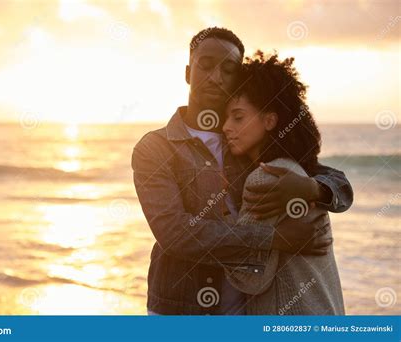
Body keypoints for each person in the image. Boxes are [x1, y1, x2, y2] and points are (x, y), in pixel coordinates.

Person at [131, 27, 353, 315]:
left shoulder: (244, 139)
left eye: (229, 69)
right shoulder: (156, 148)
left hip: (246, 307)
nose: (216, 77)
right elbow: (174, 233)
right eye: (206, 65)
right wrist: (274, 237)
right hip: (180, 309)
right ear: (188, 73)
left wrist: (310, 188)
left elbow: (335, 180)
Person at [222, 51, 345, 314]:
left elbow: (249, 277)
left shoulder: (266, 177)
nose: (225, 126)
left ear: (269, 120)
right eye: (225, 117)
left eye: (238, 117)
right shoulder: (298, 171)